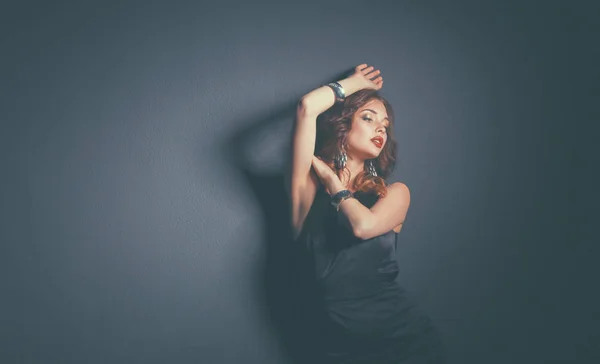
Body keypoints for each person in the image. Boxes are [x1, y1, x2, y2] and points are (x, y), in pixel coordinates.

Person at [285, 64, 446, 363]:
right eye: (368, 118)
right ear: (343, 125)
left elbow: (362, 226)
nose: (381, 129)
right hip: (334, 349)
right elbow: (307, 106)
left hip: (405, 342)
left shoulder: (394, 194)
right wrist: (355, 83)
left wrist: (333, 181)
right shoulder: (307, 193)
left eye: (385, 125)